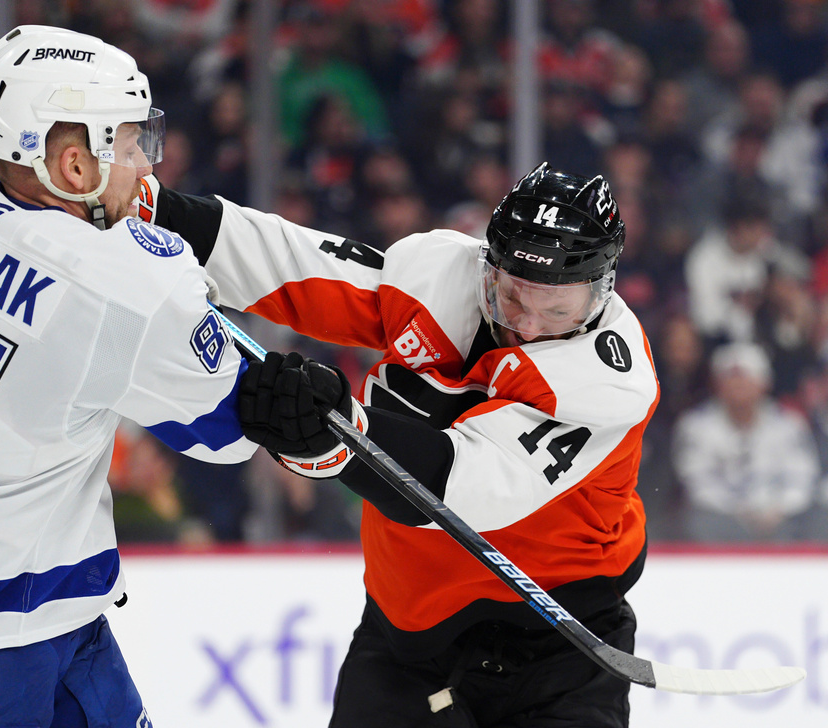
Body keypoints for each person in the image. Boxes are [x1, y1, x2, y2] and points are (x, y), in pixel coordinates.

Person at [0, 24, 323, 728]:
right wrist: (274, 399)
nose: (148, 165)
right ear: (72, 164)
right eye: (131, 142)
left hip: (33, 606)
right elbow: (221, 436)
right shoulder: (127, 283)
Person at [144, 162, 659, 727]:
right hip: (407, 633)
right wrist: (155, 210)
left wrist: (339, 432)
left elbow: (455, 489)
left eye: (558, 308)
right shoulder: (438, 277)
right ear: (489, 266)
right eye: (513, 296)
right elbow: (298, 269)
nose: (528, 324)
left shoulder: (609, 381)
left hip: (559, 647)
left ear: (601, 291)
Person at [672, 342, 821, 542]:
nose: (738, 386)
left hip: (780, 520)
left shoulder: (789, 424)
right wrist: (739, 512)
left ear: (765, 383)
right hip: (722, 520)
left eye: (747, 379)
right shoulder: (695, 425)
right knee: (697, 521)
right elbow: (696, 482)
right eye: (731, 379)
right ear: (717, 384)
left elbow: (803, 477)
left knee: (817, 516)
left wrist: (778, 510)